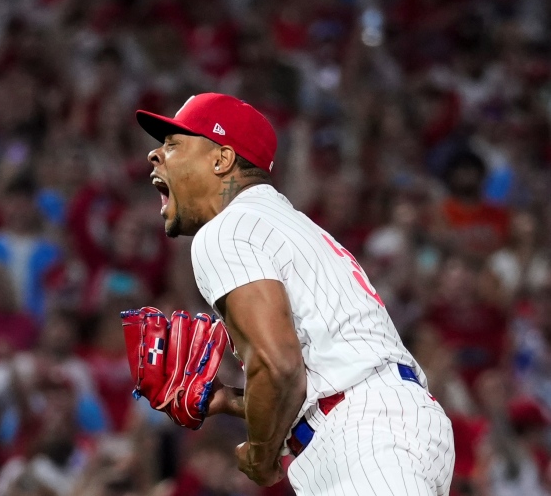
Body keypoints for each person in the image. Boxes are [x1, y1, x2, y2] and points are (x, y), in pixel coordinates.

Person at [136, 92, 455, 494]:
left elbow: (280, 367)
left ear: (221, 160)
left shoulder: (227, 228)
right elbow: (310, 378)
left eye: (173, 144)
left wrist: (260, 454)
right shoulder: (284, 224)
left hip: (364, 434)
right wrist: (228, 400)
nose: (154, 155)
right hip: (378, 427)